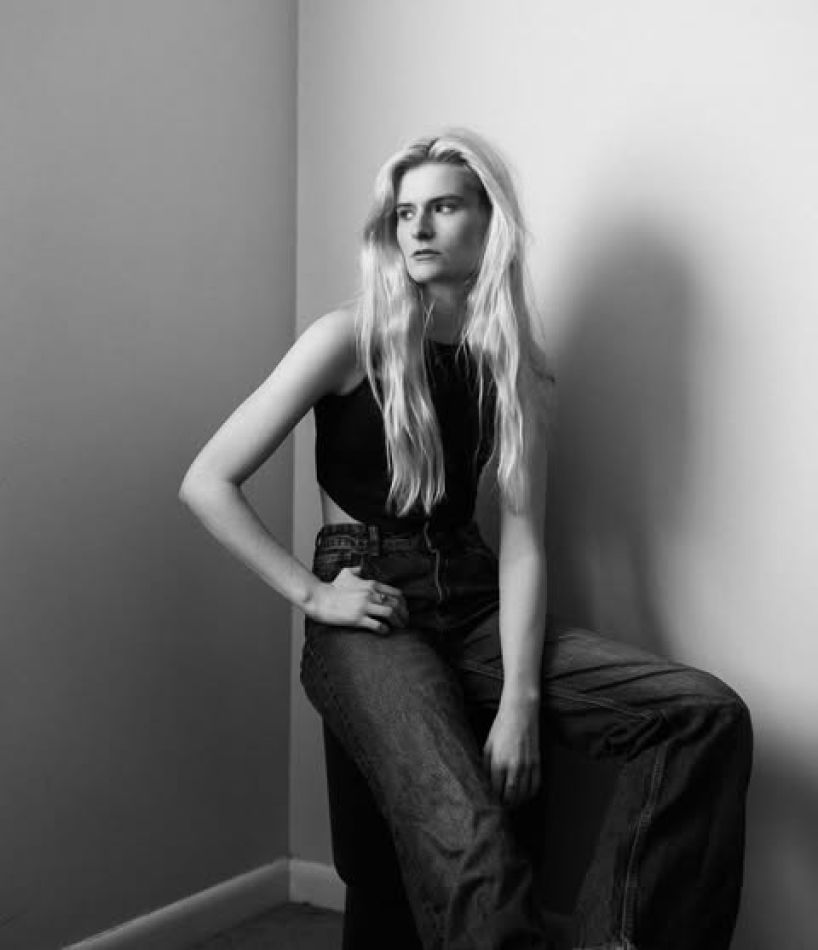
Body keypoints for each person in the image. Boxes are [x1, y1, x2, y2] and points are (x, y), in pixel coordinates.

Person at [178, 129, 753, 950]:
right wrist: (314, 594)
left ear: (490, 222)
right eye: (404, 211)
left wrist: (520, 699)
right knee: (475, 844)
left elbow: (524, 546)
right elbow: (207, 479)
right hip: (374, 608)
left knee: (703, 715)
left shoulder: (516, 366)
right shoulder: (347, 339)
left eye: (443, 207)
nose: (417, 227)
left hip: (477, 602)